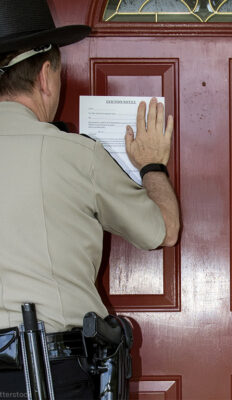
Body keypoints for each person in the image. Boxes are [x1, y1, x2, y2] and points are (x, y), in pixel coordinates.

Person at [0, 0, 180, 398]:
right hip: (51, 374)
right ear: (46, 76)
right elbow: (162, 231)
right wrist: (152, 166)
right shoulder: (77, 155)